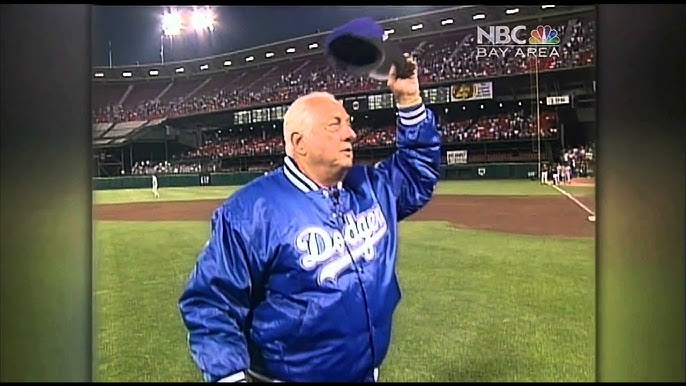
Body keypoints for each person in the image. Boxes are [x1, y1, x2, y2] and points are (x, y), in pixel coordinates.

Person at [178, 55, 441, 383]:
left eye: (348, 123)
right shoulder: (252, 210)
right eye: (336, 125)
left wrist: (408, 98)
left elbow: (417, 173)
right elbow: (211, 302)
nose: (351, 134)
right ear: (298, 142)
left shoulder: (372, 188)